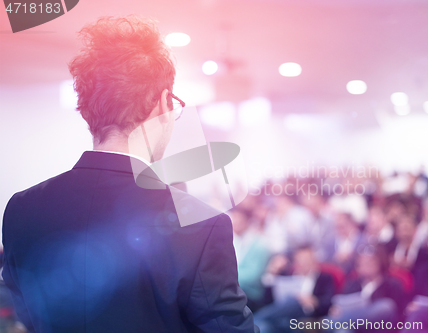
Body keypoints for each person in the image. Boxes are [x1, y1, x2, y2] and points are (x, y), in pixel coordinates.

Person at [2, 16, 258, 333]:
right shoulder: (202, 225)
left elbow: (25, 315)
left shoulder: (21, 209)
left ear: (85, 108)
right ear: (165, 103)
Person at [254, 246, 334, 333]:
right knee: (265, 326)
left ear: (314, 260)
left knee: (294, 302)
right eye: (300, 260)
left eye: (306, 259)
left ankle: (254, 319)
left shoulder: (324, 278)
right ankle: (257, 321)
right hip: (283, 316)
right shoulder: (287, 275)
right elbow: (268, 301)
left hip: (306, 316)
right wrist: (271, 273)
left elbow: (328, 302)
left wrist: (313, 301)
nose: (304, 263)